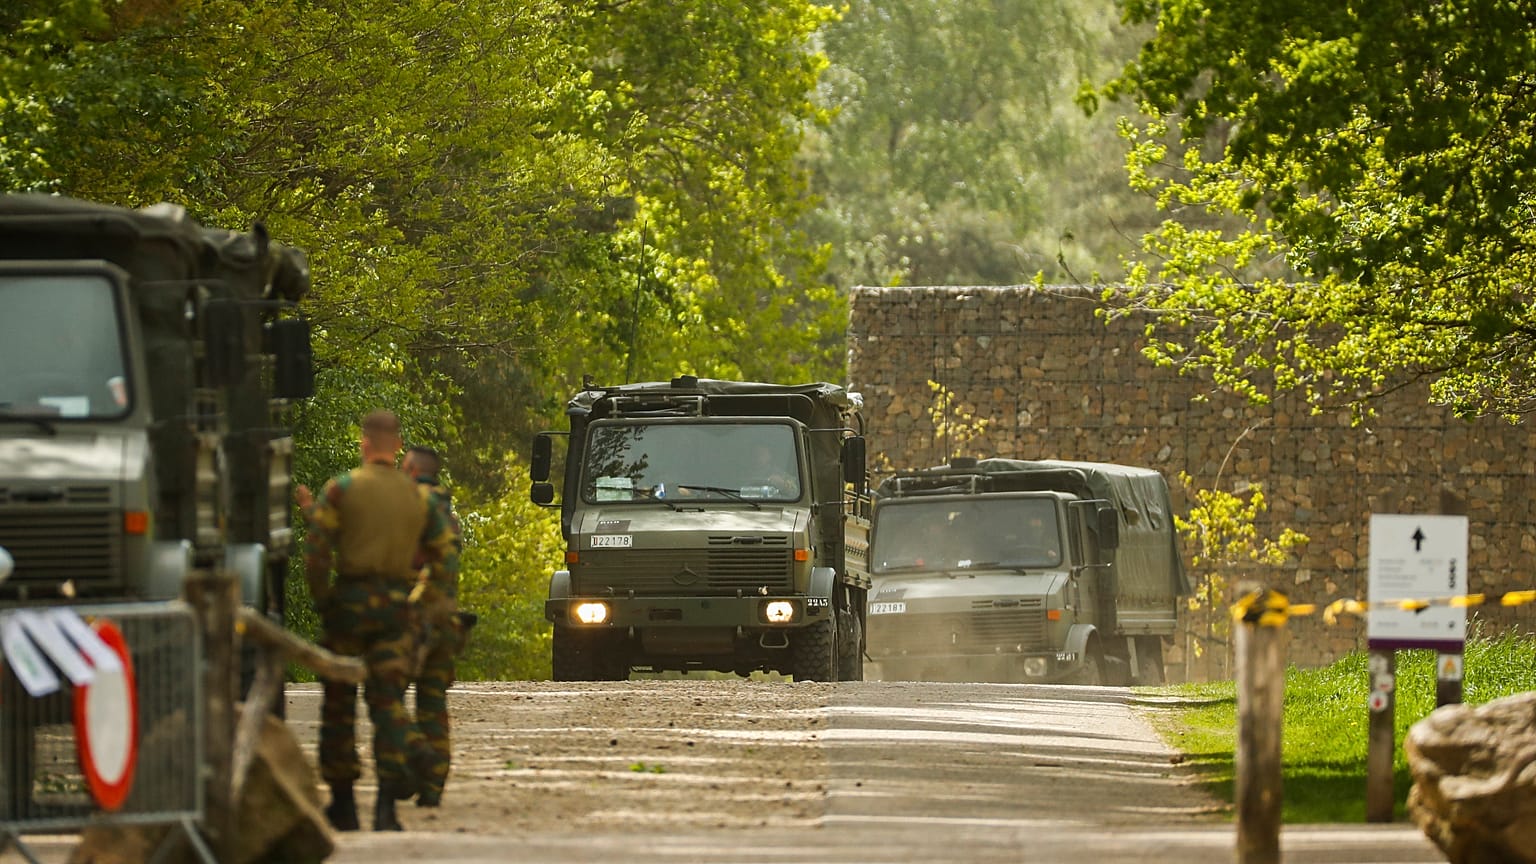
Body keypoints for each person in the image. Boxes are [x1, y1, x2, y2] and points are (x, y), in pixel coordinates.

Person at [303, 410, 459, 832]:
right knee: (387, 698)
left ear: (364, 442)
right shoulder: (419, 498)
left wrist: (325, 601)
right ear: (398, 445)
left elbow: (316, 553)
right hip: (396, 608)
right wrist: (420, 601)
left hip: (349, 604)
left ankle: (343, 805)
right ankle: (387, 808)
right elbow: (445, 559)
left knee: (338, 703)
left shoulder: (343, 489)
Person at [399, 445, 465, 808]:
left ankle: (414, 759)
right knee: (432, 702)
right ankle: (433, 785)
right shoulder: (447, 515)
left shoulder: (412, 508)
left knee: (387, 694)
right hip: (445, 617)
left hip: (412, 616)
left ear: (411, 470)